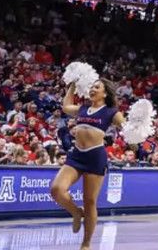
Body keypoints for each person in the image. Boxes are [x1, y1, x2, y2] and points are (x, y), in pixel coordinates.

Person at [50, 78, 125, 250]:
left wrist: (135, 131)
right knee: (56, 189)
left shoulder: (111, 112)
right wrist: (73, 86)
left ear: (105, 93)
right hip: (76, 155)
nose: (92, 89)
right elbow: (66, 107)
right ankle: (76, 212)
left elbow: (125, 126)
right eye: (91, 86)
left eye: (97, 87)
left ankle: (86, 244)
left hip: (95, 157)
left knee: (90, 201)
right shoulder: (83, 108)